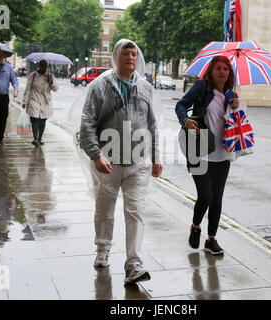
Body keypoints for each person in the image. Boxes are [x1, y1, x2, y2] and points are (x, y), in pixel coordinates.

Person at [78, 39, 162, 284]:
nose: (131, 58)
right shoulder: (99, 86)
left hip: (138, 162)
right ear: (116, 57)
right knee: (105, 210)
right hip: (109, 160)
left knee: (135, 212)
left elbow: (152, 124)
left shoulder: (146, 87)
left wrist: (156, 157)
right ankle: (103, 248)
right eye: (126, 53)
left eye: (134, 54)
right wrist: (96, 154)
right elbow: (86, 124)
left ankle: (133, 264)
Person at [175, 55, 239, 255]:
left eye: (226, 69)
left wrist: (236, 108)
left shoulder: (230, 94)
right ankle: (196, 227)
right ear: (211, 71)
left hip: (222, 152)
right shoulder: (202, 87)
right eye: (219, 68)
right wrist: (185, 120)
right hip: (198, 149)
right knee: (205, 195)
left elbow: (235, 123)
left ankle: (211, 240)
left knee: (217, 199)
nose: (222, 72)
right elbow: (181, 105)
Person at [22, 60, 58, 147]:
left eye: (45, 66)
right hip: (34, 99)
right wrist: (25, 101)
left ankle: (40, 138)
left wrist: (51, 81)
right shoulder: (33, 75)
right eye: (41, 65)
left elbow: (55, 88)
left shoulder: (50, 76)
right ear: (39, 66)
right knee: (34, 120)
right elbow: (28, 89)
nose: (43, 67)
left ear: (47, 67)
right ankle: (35, 139)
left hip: (45, 102)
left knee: (42, 120)